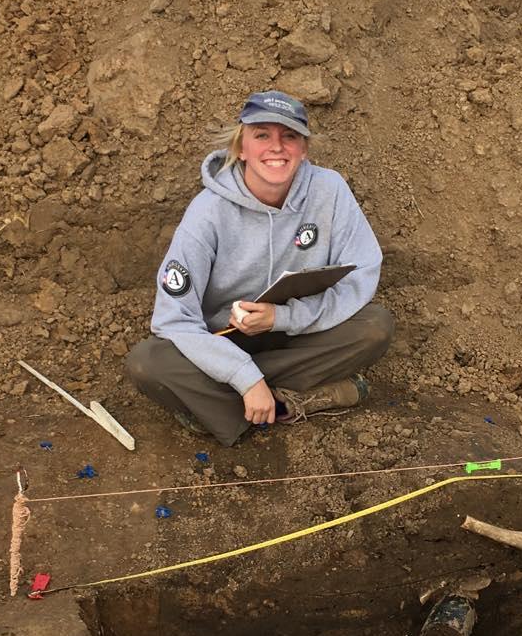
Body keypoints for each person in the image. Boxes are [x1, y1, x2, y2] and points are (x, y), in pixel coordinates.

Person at [125, 89, 394, 447]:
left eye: (289, 136)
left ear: (304, 148)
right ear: (240, 147)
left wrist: (282, 318)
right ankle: (287, 401)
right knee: (148, 362)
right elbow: (173, 319)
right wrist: (244, 375)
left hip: (299, 331)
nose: (277, 147)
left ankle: (220, 409)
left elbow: (362, 272)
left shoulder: (329, 191)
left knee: (375, 327)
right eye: (262, 135)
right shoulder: (207, 213)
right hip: (223, 341)